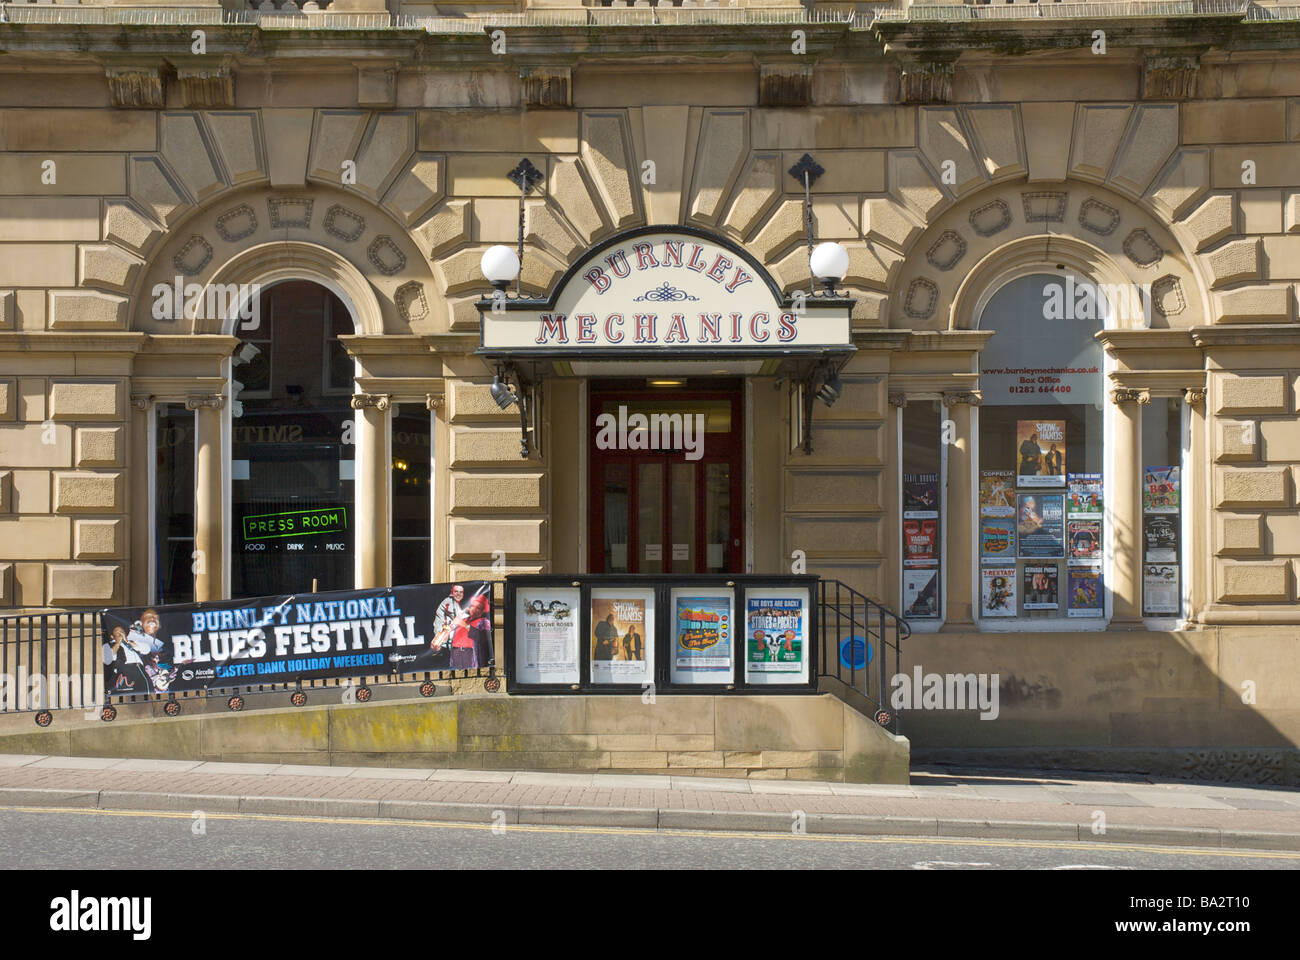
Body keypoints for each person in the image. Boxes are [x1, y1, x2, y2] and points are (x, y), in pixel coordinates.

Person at [449, 594, 492, 670]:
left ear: (482, 611)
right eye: (472, 606)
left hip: (469, 654)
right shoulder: (464, 619)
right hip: (456, 653)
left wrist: (464, 624)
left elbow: (481, 638)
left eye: (478, 608)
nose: (474, 609)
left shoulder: (484, 622)